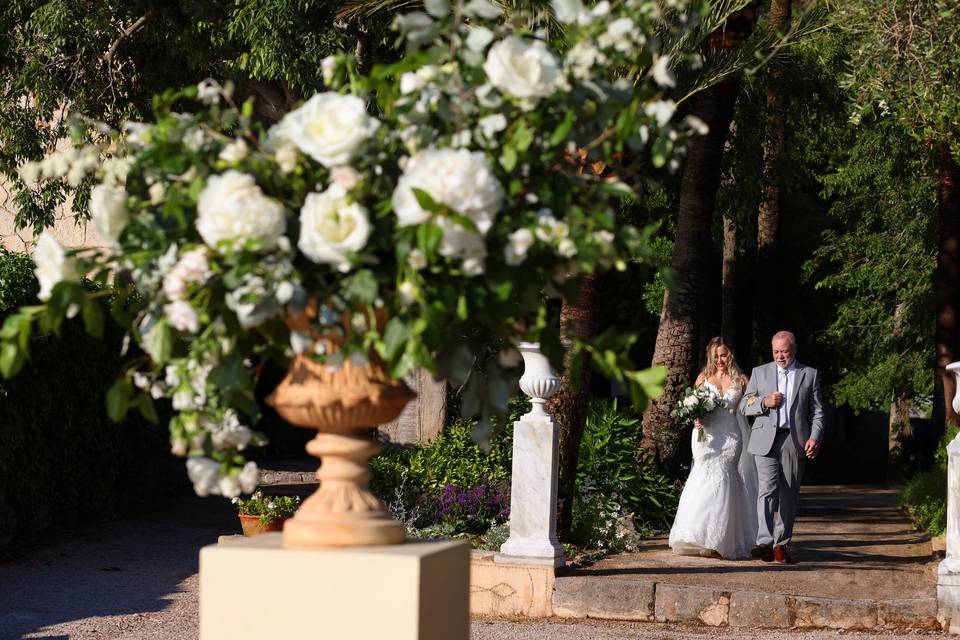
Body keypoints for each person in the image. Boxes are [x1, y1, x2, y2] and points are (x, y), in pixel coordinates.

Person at [669, 337, 758, 560]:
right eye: (716, 355)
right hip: (705, 437)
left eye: (724, 354)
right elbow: (692, 406)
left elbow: (751, 406)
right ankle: (700, 536)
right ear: (711, 356)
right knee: (703, 478)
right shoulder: (703, 378)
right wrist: (695, 419)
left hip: (730, 437)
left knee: (726, 479)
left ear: (731, 355)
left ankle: (721, 540)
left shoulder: (742, 380)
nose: (720, 359)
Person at [739, 330, 824, 564]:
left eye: (784, 351)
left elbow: (817, 412)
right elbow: (744, 406)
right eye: (775, 351)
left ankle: (782, 545)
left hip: (794, 439)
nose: (779, 356)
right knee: (766, 490)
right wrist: (764, 403)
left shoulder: (809, 374)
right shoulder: (760, 372)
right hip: (765, 439)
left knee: (789, 495)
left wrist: (814, 438)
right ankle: (764, 542)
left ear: (793, 350)